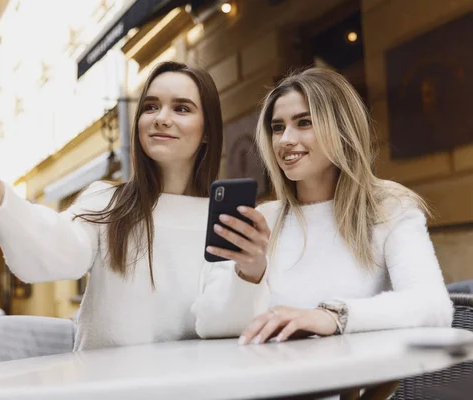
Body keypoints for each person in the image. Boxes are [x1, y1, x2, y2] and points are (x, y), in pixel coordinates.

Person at [0, 61, 224, 350]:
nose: (161, 118)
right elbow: (47, 256)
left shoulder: (224, 221)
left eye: (181, 108)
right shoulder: (106, 203)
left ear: (207, 130)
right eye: (150, 106)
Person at [193, 67, 453, 345]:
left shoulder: (388, 209)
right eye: (277, 127)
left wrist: (333, 316)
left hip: (355, 386)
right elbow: (209, 325)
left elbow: (433, 306)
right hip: (273, 381)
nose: (285, 140)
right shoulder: (262, 220)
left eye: (304, 123)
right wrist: (249, 272)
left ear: (342, 129)